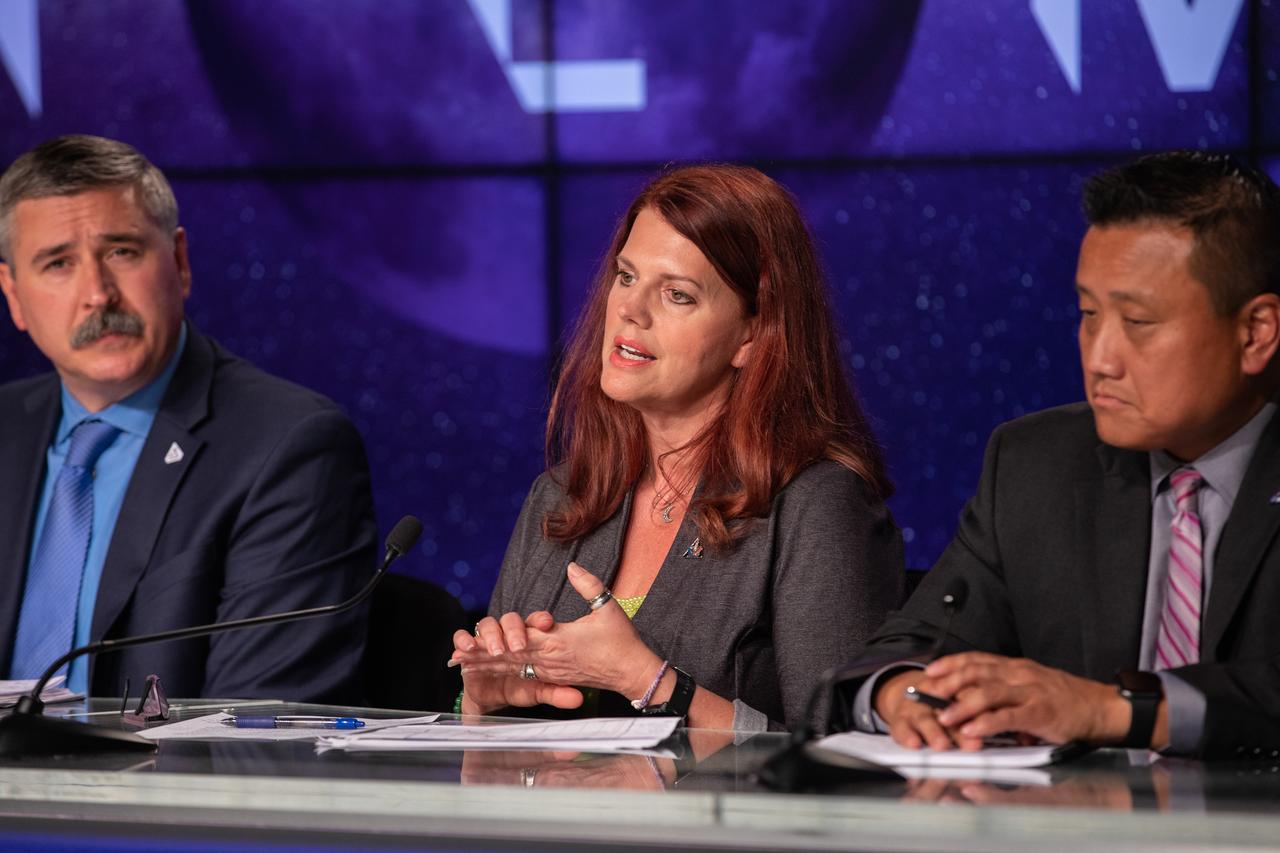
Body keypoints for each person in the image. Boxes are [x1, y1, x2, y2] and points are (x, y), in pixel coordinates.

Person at [840, 151, 1280, 758]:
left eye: (1138, 321)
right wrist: (906, 693)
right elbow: (906, 649)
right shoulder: (1035, 464)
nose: (1100, 358)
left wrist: (1110, 710)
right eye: (1089, 315)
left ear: (1256, 331)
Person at [450, 164, 903, 731]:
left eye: (677, 295)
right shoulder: (561, 495)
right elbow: (489, 759)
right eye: (626, 276)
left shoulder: (818, 504)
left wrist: (650, 681)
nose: (630, 309)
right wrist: (482, 705)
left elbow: (843, 758)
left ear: (752, 335)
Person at [0, 135, 376, 703]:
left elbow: (253, 723)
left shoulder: (288, 446)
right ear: (14, 296)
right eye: (58, 263)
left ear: (179, 262)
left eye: (122, 252)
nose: (98, 294)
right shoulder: (7, 428)